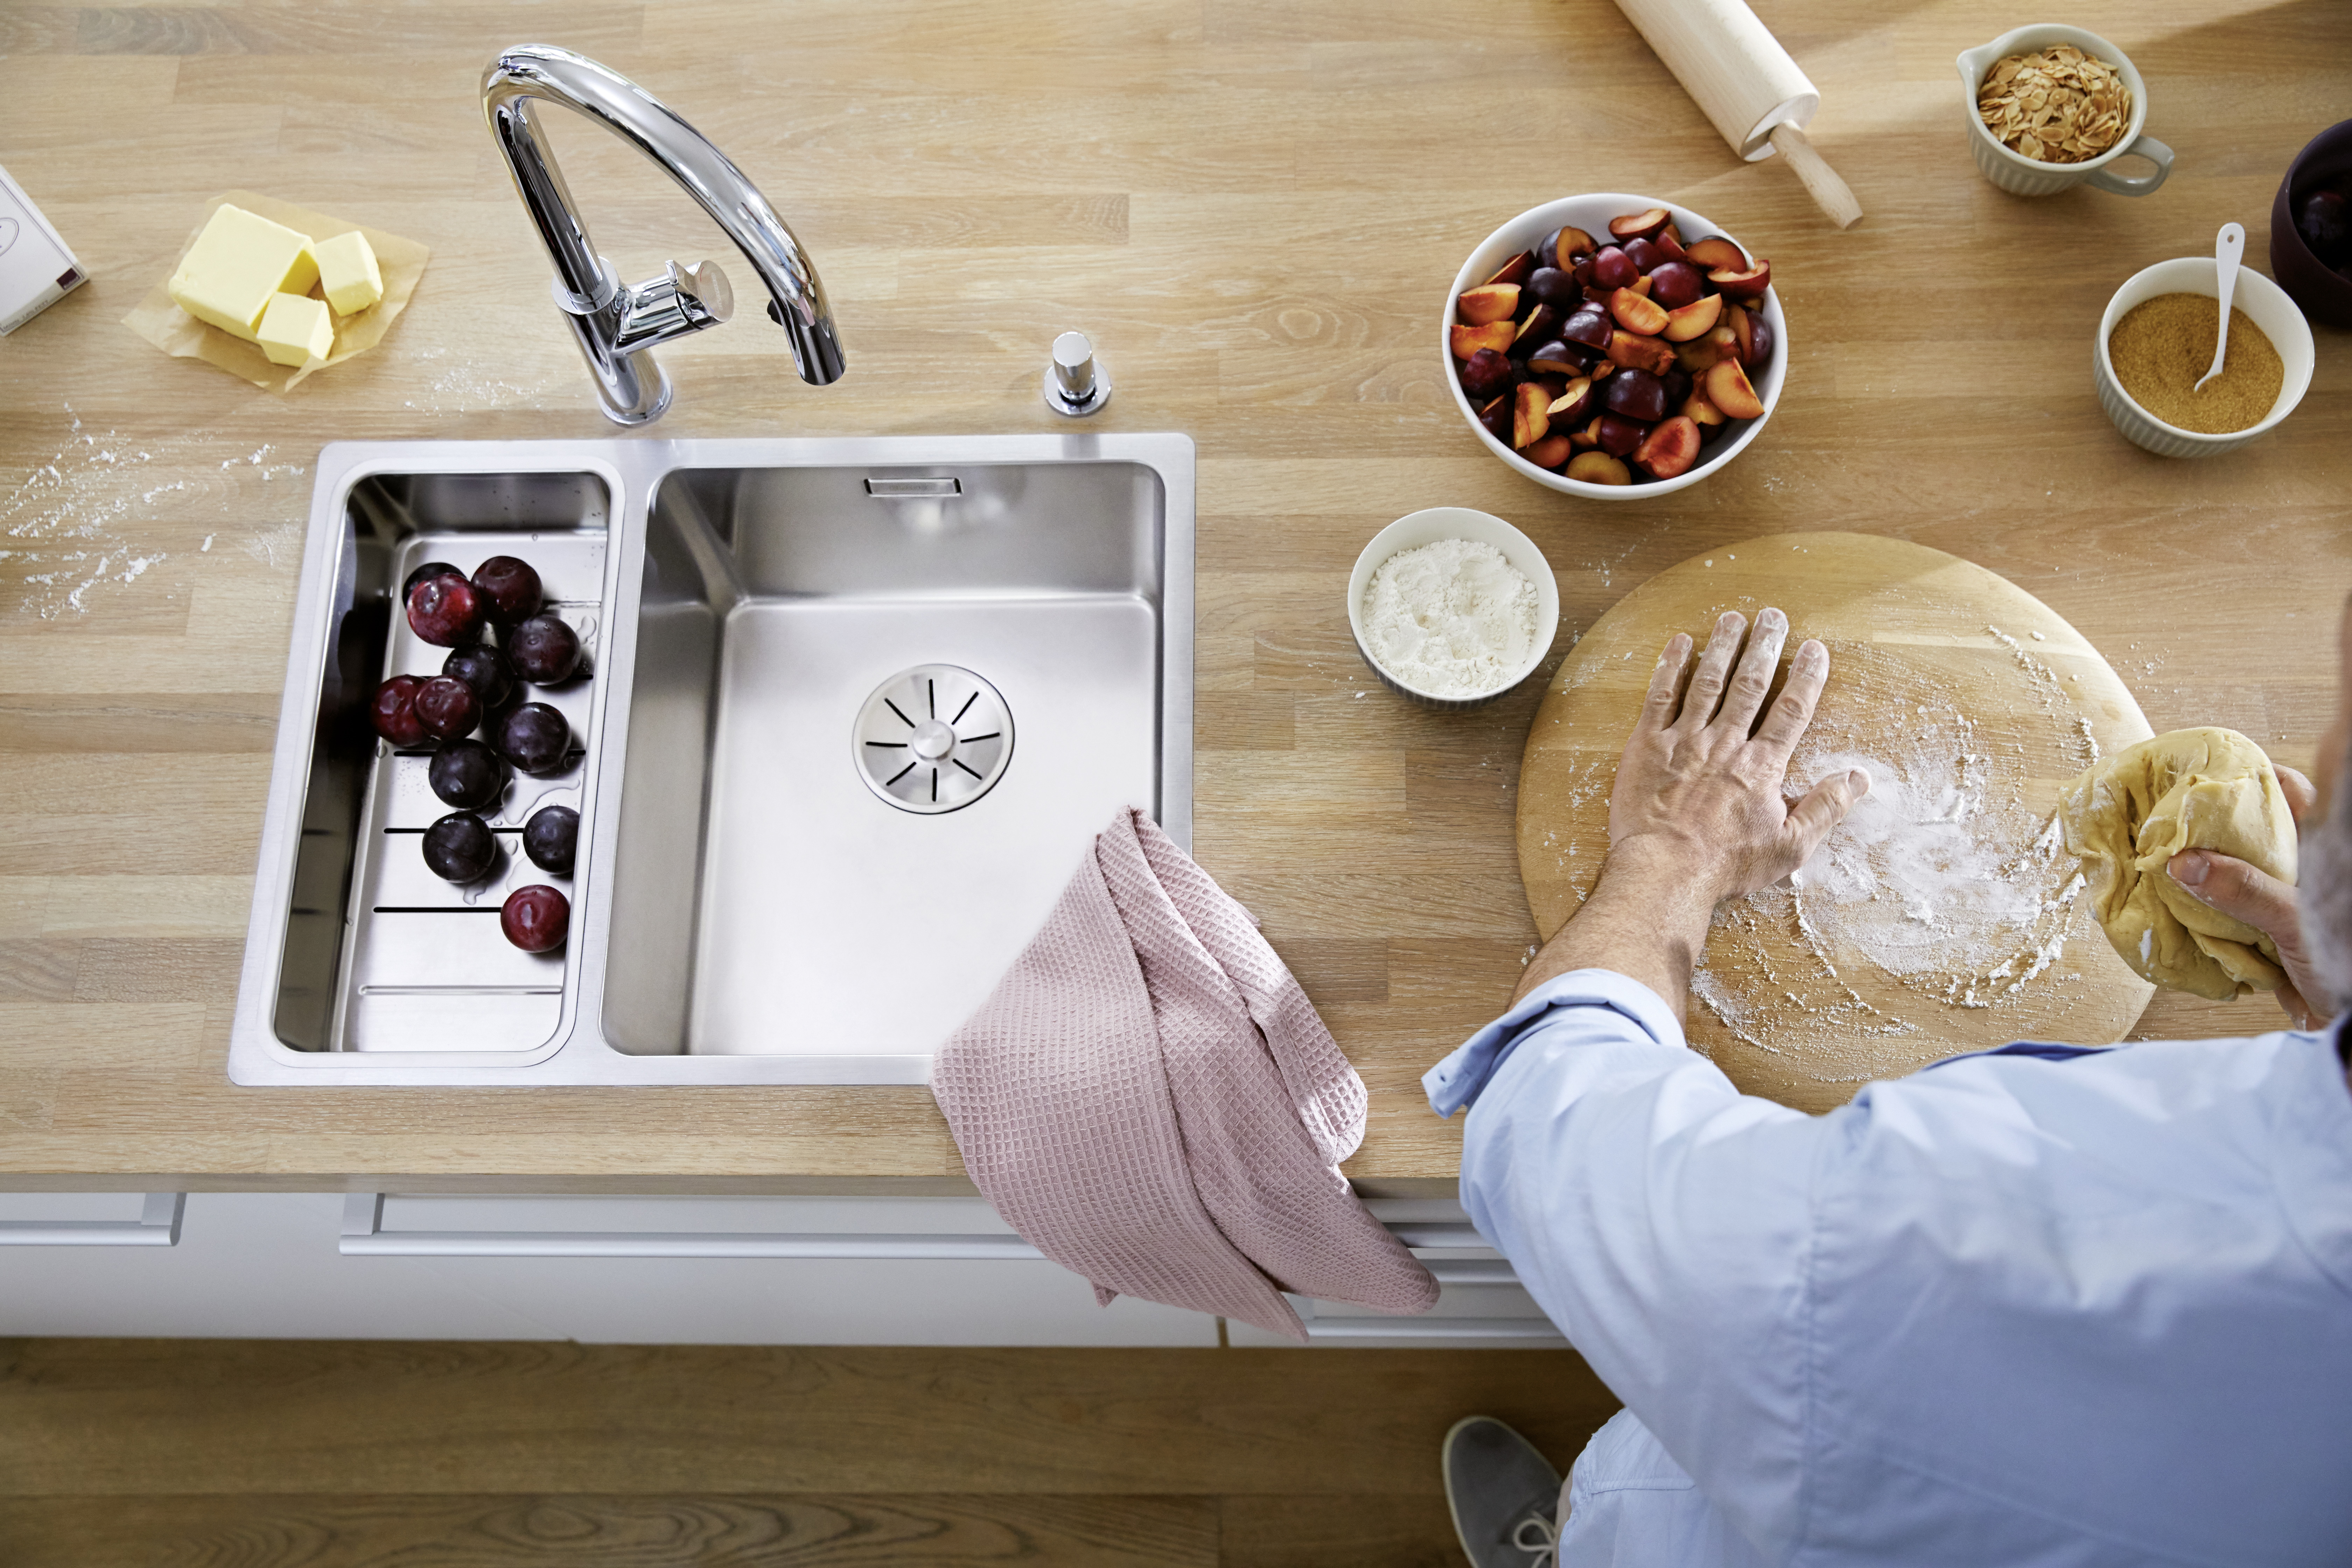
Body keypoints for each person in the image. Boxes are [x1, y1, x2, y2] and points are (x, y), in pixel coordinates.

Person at [1429, 603, 2352, 1568]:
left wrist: (1673, 854)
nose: (2320, 769)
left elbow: (1553, 1132)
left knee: (1633, 1517)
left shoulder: (1919, 1241)